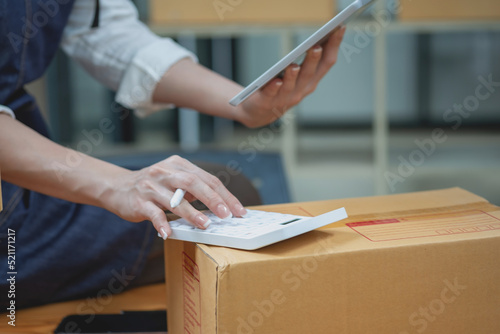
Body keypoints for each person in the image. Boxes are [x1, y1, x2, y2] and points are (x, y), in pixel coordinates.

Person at [0, 0, 346, 309]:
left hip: (29, 171)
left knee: (229, 189)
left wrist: (244, 105)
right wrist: (119, 185)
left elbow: (108, 36)